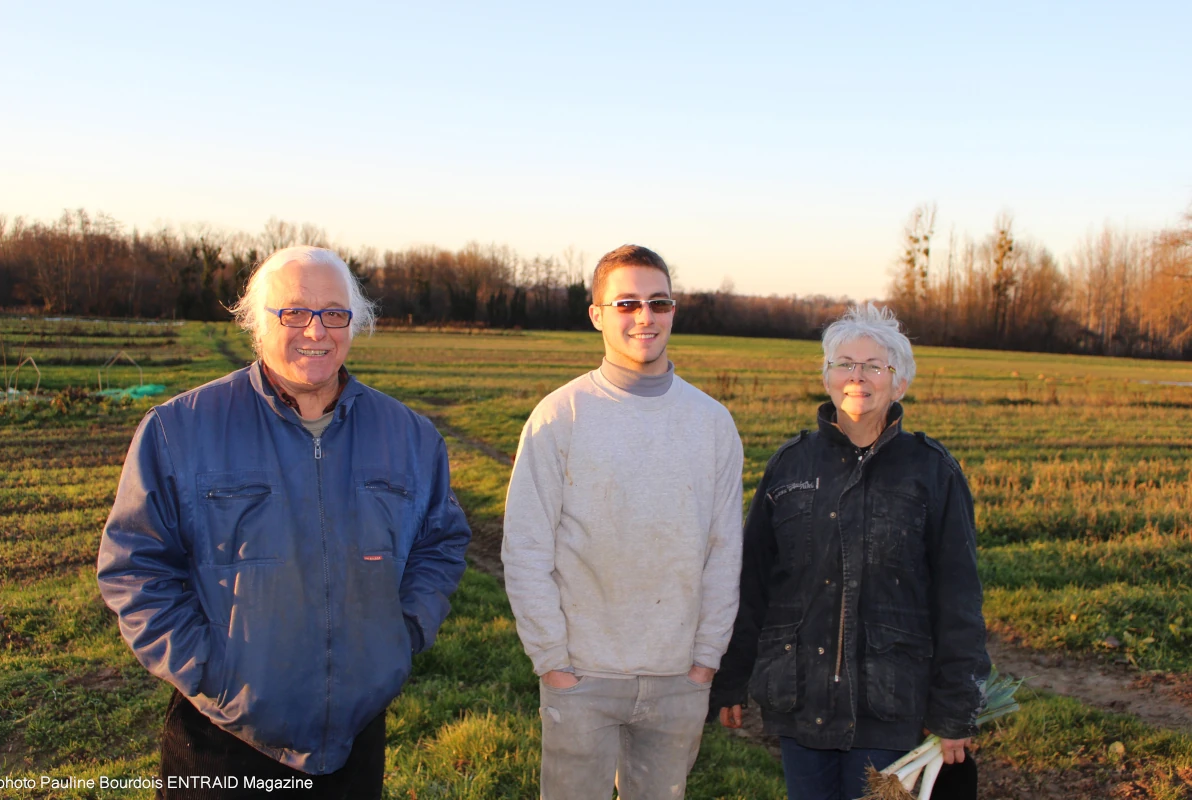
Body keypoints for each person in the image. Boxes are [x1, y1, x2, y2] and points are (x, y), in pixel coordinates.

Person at [97, 246, 471, 799]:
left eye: (334, 313)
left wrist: (399, 637)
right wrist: (210, 671)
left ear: (355, 323)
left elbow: (440, 543)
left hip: (354, 740)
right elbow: (134, 566)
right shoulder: (179, 429)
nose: (316, 330)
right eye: (294, 312)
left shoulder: (410, 437)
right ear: (257, 324)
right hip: (222, 738)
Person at [711, 303, 989, 800]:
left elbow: (958, 598)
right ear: (826, 377)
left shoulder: (932, 472)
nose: (856, 376)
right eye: (844, 364)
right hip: (802, 701)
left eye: (873, 366)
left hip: (889, 703)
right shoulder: (790, 465)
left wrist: (955, 707)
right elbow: (752, 582)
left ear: (899, 384)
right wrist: (731, 678)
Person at [501, 244, 744, 799]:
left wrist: (705, 662)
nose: (644, 317)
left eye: (659, 303)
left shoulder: (712, 423)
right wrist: (554, 664)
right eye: (626, 303)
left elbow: (724, 549)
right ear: (597, 315)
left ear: (673, 311)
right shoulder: (560, 415)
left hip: (678, 678)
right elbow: (526, 550)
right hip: (582, 677)